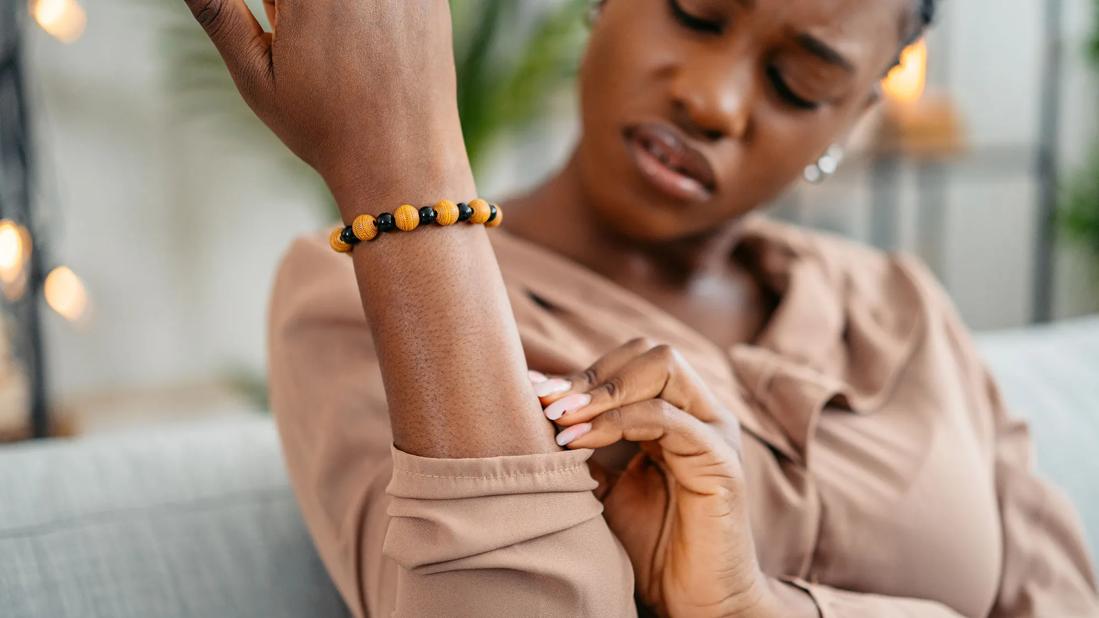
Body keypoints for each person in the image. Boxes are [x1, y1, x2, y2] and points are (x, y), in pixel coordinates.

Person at [185, 0, 1099, 615]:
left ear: (854, 117)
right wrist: (399, 166)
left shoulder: (902, 311)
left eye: (800, 84)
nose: (711, 98)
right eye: (695, 10)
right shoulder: (361, 290)